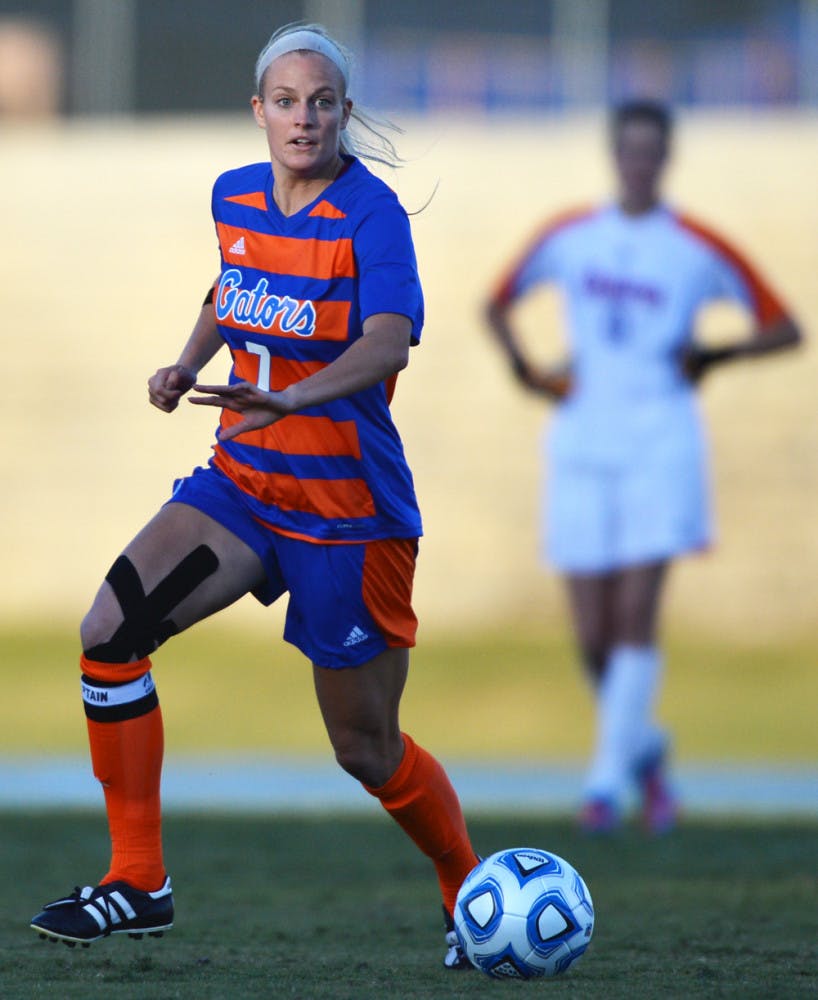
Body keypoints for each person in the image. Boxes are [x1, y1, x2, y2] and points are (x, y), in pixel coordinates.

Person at [30, 22, 478, 970]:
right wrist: (186, 360)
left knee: (366, 748)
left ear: (343, 113)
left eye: (321, 102)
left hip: (348, 512)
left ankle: (465, 887)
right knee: (109, 629)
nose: (303, 117)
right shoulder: (233, 194)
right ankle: (137, 880)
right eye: (286, 101)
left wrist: (289, 396)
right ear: (259, 111)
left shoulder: (371, 212)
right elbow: (231, 280)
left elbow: (388, 341)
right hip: (242, 484)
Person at [485, 100, 801, 834]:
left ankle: (604, 787)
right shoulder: (571, 237)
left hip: (661, 440)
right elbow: (499, 303)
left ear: (667, 157)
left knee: (635, 614)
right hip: (582, 441)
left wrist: (717, 355)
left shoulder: (695, 245)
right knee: (592, 635)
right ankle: (648, 752)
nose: (639, 161)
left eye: (651, 149)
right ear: (613, 154)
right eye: (628, 148)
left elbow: (784, 325)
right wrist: (527, 371)